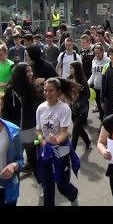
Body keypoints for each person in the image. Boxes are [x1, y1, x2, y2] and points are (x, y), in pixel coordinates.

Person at [36, 78, 80, 206]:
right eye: (45, 90)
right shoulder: (40, 108)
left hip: (61, 149)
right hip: (45, 149)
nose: (47, 93)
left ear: (58, 92)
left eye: (51, 91)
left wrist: (57, 140)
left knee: (62, 184)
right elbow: (38, 131)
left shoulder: (64, 109)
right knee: (47, 185)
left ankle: (73, 196)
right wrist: (42, 141)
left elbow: (64, 132)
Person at [2, 63, 44, 196]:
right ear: (20, 74)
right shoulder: (11, 91)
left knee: (33, 157)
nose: (30, 74)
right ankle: (11, 188)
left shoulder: (34, 88)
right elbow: (6, 112)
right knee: (15, 160)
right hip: (16, 132)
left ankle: (41, 182)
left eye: (31, 71)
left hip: (31, 130)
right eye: (27, 72)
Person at [68, 61, 91, 151]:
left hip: (81, 110)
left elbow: (87, 95)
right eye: (70, 68)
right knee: (79, 129)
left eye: (72, 68)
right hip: (72, 110)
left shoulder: (82, 81)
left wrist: (79, 104)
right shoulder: (69, 79)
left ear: (76, 69)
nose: (70, 70)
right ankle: (88, 141)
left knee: (75, 132)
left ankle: (72, 151)